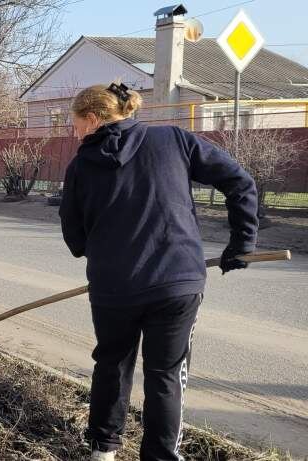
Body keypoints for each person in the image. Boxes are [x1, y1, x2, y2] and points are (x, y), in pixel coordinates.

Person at [59, 83, 258, 461]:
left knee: (112, 364)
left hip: (113, 288)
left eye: (74, 124)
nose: (74, 132)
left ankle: (102, 451)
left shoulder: (82, 165)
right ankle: (160, 456)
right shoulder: (174, 139)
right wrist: (242, 243)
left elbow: (74, 235)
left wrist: (100, 250)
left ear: (92, 118)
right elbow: (240, 182)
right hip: (176, 282)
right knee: (165, 374)